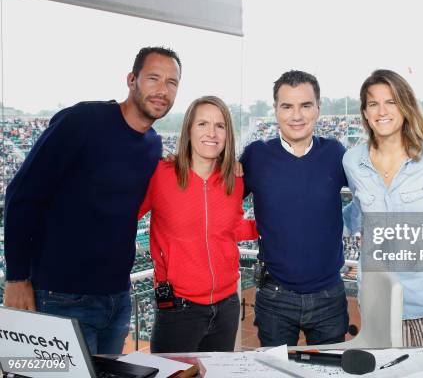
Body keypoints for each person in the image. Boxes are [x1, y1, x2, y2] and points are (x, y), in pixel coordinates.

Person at [3, 46, 181, 354]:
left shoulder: (153, 145)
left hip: (117, 299)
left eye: (171, 82)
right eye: (153, 78)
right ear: (132, 79)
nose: (162, 90)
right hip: (60, 296)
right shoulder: (83, 120)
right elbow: (21, 194)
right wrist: (16, 277)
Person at [343, 69, 423, 346]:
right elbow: (357, 212)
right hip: (379, 298)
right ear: (364, 112)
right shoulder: (352, 160)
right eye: (373, 103)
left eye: (391, 101)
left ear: (406, 105)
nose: (382, 111)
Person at [138, 96, 257, 353]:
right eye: (202, 124)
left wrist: (265, 227)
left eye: (220, 125)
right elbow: (123, 217)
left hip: (227, 305)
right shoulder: (160, 174)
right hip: (179, 308)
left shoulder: (234, 179)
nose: (211, 133)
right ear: (189, 130)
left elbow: (229, 228)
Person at [240, 70, 349, 346]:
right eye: (287, 106)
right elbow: (220, 201)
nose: (296, 115)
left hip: (329, 296)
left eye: (305, 105)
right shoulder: (255, 155)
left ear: (318, 109)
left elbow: (372, 194)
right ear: (275, 109)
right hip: (275, 296)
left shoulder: (336, 153)